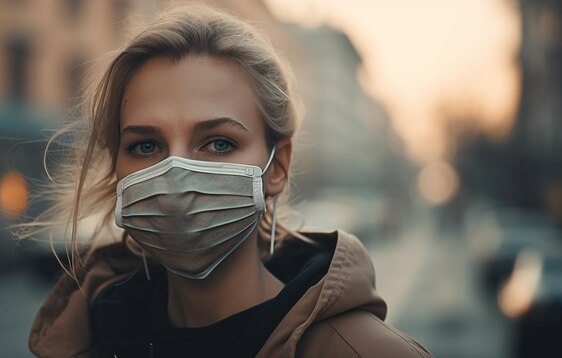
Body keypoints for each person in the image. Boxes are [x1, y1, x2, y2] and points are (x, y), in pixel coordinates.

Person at [23, 5, 432, 358]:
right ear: (117, 170)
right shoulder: (84, 339)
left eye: (218, 143)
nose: (176, 174)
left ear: (276, 167)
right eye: (146, 146)